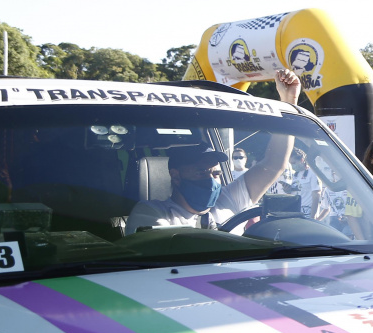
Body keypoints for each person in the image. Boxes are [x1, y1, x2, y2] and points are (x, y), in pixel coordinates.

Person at [126, 69, 300, 234]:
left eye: (216, 173)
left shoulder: (228, 200)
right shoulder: (153, 212)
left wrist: (288, 103)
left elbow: (274, 163)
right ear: (176, 176)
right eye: (201, 172)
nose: (211, 181)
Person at [289, 147, 322, 218]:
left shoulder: (313, 173)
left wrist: (313, 216)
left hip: (307, 213)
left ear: (302, 160)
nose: (292, 165)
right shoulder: (294, 174)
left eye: (294, 163)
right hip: (295, 212)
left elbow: (316, 195)